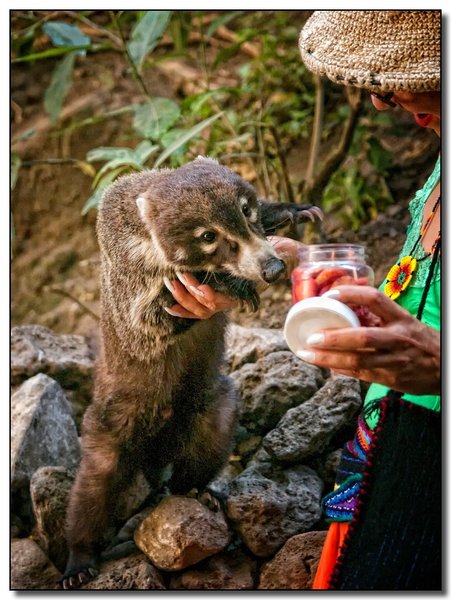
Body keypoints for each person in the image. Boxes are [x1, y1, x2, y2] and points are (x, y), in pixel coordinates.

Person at [163, 10, 441, 590]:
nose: (383, 102)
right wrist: (286, 267)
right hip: (394, 437)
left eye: (412, 79)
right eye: (377, 87)